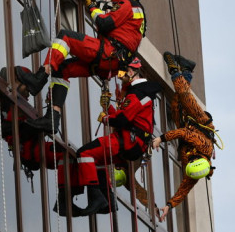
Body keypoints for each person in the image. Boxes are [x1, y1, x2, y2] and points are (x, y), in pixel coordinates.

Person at [15, 0, 146, 135]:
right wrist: (99, 9)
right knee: (62, 69)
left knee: (65, 37)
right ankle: (52, 117)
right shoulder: (135, 10)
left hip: (109, 52)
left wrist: (92, 7)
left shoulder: (127, 4)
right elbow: (112, 28)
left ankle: (40, 76)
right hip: (111, 62)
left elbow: (104, 23)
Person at [60, 58, 160, 216]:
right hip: (131, 140)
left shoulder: (138, 93)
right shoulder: (141, 93)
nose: (119, 77)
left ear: (131, 72)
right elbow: (126, 118)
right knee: (97, 160)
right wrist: (108, 108)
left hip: (127, 140)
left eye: (122, 73)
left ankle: (97, 198)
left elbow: (122, 120)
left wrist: (105, 118)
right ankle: (108, 200)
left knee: (84, 153)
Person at [152, 52, 218, 222]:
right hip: (198, 121)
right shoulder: (204, 147)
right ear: (196, 156)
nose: (186, 160)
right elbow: (183, 133)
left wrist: (169, 205)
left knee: (175, 104)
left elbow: (183, 190)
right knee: (183, 94)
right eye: (189, 160)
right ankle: (174, 69)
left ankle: (187, 69)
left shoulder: (193, 173)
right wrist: (161, 138)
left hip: (186, 128)